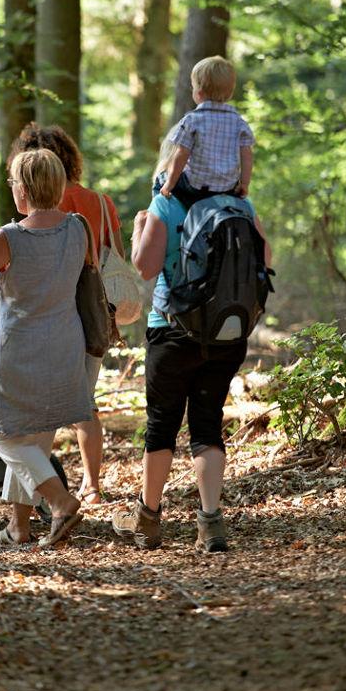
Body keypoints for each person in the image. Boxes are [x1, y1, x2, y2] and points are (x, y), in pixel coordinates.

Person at [112, 190, 271, 552]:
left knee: (162, 424)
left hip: (173, 331)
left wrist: (140, 229)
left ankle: (148, 520)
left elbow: (144, 267)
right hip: (226, 332)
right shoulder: (240, 204)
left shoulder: (166, 202)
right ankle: (211, 524)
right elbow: (266, 258)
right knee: (207, 424)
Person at [0, 148, 89, 547]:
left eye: (13, 184)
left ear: (22, 190)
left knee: (4, 436)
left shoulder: (12, 237)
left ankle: (60, 502)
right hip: (64, 345)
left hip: (19, 350)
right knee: (36, 441)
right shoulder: (78, 227)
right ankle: (19, 527)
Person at [8, 122, 125, 507]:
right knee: (84, 404)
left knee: (38, 411)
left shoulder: (47, 205)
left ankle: (36, 502)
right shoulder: (101, 202)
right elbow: (115, 257)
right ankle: (91, 486)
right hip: (95, 314)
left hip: (52, 315)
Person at [157, 56, 255, 207]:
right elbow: (247, 155)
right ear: (230, 94)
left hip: (196, 190)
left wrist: (169, 185)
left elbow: (181, 154)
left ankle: (163, 222)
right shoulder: (239, 123)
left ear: (199, 93)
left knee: (160, 180)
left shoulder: (192, 121)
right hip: (228, 189)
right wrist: (244, 184)